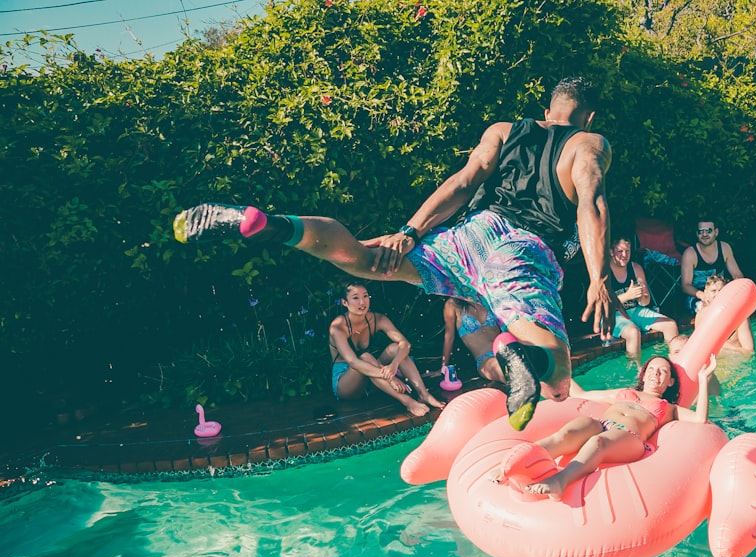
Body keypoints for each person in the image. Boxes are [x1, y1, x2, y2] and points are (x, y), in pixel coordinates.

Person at [173, 77, 616, 430]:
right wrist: (598, 277)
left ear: (547, 109)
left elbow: (463, 183)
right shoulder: (588, 143)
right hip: (522, 248)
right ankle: (513, 352)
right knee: (557, 380)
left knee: (364, 259)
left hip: (468, 238)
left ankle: (273, 225)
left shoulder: (504, 131)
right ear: (590, 116)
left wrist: (410, 231)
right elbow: (591, 204)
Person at [498, 354, 717, 501]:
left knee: (598, 442)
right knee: (570, 431)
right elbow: (581, 394)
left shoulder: (669, 408)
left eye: (663, 372)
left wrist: (703, 380)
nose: (656, 374)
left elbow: (700, 418)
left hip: (629, 438)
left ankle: (560, 481)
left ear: (670, 382)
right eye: (652, 369)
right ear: (644, 372)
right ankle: (518, 462)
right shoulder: (621, 392)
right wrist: (554, 371)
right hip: (602, 424)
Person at [329, 281, 445, 416]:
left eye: (365, 296)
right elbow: (353, 362)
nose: (362, 302)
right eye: (355, 298)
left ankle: (423, 394)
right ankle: (407, 401)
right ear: (344, 302)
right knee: (365, 357)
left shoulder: (377, 319)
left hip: (373, 377)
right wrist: (390, 378)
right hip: (346, 383)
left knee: (396, 348)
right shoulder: (338, 327)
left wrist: (394, 365)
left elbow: (405, 344)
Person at [608, 233, 679, 361]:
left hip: (636, 311)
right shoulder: (604, 272)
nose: (624, 255)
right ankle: (636, 372)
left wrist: (642, 297)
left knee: (671, 325)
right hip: (614, 314)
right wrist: (627, 296)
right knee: (634, 333)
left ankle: (675, 362)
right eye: (619, 251)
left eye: (627, 251)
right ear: (611, 252)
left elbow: (646, 302)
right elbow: (604, 306)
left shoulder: (635, 268)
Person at [680, 217, 745, 315]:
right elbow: (685, 286)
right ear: (697, 234)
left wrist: (735, 292)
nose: (704, 234)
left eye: (709, 231)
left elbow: (737, 275)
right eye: (701, 231)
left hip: (720, 292)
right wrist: (703, 295)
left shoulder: (724, 248)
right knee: (710, 310)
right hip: (698, 296)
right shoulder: (690, 254)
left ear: (716, 232)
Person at [441, 298, 505, 384]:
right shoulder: (453, 304)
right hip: (485, 359)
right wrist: (443, 367)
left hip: (505, 351)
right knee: (503, 370)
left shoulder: (486, 296)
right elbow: (449, 337)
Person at [699, 275, 754, 353]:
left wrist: (720, 344)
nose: (718, 294)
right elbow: (698, 347)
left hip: (736, 360)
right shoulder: (701, 315)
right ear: (706, 293)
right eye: (713, 291)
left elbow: (749, 351)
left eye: (721, 290)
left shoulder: (740, 317)